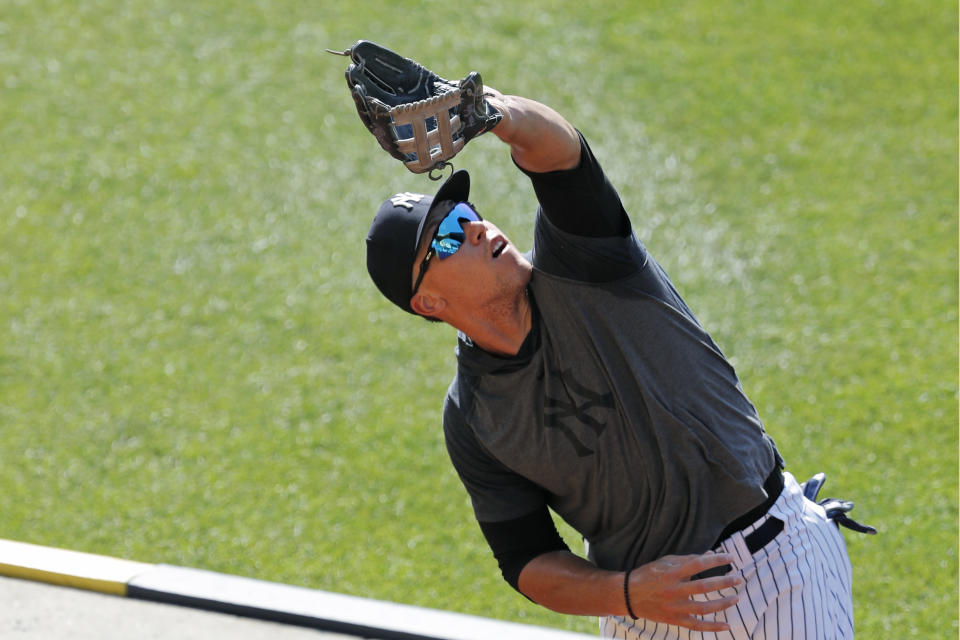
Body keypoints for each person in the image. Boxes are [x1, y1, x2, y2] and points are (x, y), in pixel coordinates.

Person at [363, 88, 859, 638]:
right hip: (647, 611)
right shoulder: (474, 420)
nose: (478, 228)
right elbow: (525, 559)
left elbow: (558, 155)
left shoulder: (586, 261)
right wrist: (626, 593)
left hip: (779, 568)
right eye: (450, 237)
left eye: (466, 213)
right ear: (428, 302)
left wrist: (493, 113)